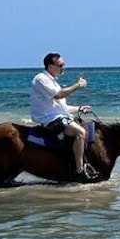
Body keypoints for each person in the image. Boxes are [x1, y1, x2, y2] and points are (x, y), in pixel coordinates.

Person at [30, 52, 96, 181]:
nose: (63, 68)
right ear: (50, 67)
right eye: (60, 65)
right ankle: (79, 170)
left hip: (58, 116)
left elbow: (62, 107)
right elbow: (59, 95)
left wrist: (79, 108)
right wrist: (78, 85)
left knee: (84, 127)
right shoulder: (41, 79)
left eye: (63, 65)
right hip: (49, 119)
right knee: (80, 132)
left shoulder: (52, 81)